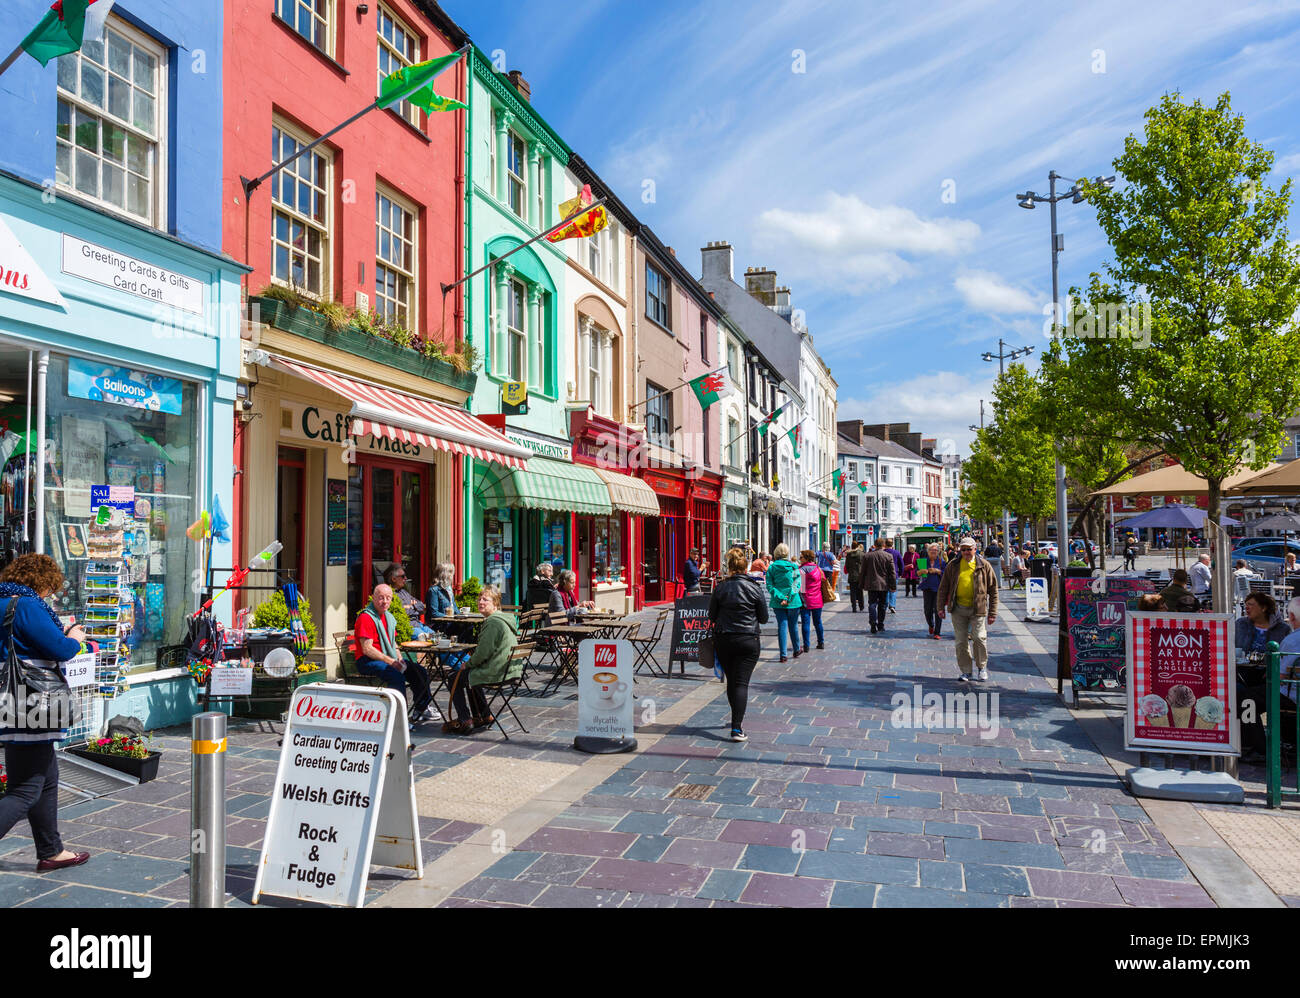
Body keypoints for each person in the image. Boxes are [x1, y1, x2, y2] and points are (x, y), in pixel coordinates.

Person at [0, 554, 92, 871]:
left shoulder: (3, 604)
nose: (50, 595)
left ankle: (51, 851)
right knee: (25, 789)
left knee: (47, 777)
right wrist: (75, 638)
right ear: (41, 582)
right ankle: (51, 851)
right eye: (50, 588)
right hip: (32, 702)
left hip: (10, 701)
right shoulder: (26, 606)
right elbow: (60, 650)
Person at [709, 548, 770, 741]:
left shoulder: (720, 587)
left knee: (732, 681)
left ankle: (736, 719)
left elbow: (711, 615)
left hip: (725, 639)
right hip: (748, 639)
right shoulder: (754, 587)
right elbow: (764, 618)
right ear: (746, 568)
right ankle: (736, 727)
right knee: (741, 683)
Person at [443, 586, 519, 735]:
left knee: (454, 678)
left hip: (497, 671)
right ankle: (483, 715)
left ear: (495, 603)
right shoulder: (503, 619)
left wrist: (467, 664)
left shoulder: (493, 622)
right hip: (509, 670)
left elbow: (483, 653)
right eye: (479, 599)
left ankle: (465, 720)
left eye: (485, 599)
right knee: (471, 675)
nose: (480, 602)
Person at [354, 584, 434, 723]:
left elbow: (393, 642)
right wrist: (391, 662)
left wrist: (400, 659)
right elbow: (367, 649)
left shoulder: (389, 617)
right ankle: (398, 718)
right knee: (396, 677)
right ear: (373, 598)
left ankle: (421, 709)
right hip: (367, 660)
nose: (384, 601)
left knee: (419, 671)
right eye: (381, 598)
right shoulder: (366, 618)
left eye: (388, 598)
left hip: (387, 657)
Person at [1236, 591, 1292, 759]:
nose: (1247, 607)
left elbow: (1284, 658)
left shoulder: (1282, 629)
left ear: (1264, 607)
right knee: (1239, 692)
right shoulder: (1241, 624)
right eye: (1246, 604)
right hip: (1243, 672)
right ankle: (1254, 744)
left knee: (1244, 700)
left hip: (1269, 677)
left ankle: (1259, 747)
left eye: (1251, 604)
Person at [935, 536, 999, 681]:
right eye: (963, 550)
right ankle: (966, 671)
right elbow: (943, 588)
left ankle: (982, 667)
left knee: (979, 638)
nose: (966, 552)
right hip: (958, 608)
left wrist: (993, 612)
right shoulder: (953, 565)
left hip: (978, 608)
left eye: (969, 549)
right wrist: (940, 607)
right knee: (961, 641)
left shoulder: (984, 565)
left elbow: (993, 590)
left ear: (975, 549)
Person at [765, 543, 803, 661]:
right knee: (793, 626)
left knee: (782, 626)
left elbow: (770, 585)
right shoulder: (793, 567)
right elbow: (797, 584)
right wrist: (789, 597)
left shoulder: (771, 568)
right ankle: (796, 649)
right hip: (793, 602)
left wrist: (781, 597)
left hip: (778, 602)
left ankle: (783, 654)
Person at [384, 564, 432, 639]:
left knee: (439, 639)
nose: (406, 578)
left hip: (419, 624)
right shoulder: (388, 594)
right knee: (427, 639)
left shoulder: (404, 592)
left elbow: (421, 606)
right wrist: (412, 607)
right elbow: (402, 612)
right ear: (394, 579)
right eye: (403, 576)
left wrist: (412, 606)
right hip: (408, 627)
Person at [862, 539, 896, 635]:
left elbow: (863, 572)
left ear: (875, 545)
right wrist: (893, 586)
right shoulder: (888, 556)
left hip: (871, 584)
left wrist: (861, 584)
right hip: (884, 584)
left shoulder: (867, 556)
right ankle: (880, 624)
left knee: (872, 604)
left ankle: (873, 623)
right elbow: (892, 573)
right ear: (883, 545)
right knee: (882, 605)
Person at [798, 550, 826, 651]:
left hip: (805, 600)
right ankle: (821, 642)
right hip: (818, 599)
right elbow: (823, 580)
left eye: (801, 557)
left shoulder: (801, 569)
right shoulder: (818, 568)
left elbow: (798, 587)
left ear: (806, 558)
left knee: (806, 623)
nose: (799, 559)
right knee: (818, 622)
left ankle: (806, 645)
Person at [920, 542, 946, 639]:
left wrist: (937, 571)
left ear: (938, 551)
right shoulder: (923, 561)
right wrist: (922, 572)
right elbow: (918, 574)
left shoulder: (941, 561)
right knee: (927, 610)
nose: (933, 552)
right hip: (927, 588)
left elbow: (946, 574)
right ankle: (931, 624)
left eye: (935, 550)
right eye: (931, 550)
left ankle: (937, 632)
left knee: (938, 610)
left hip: (939, 589)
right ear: (928, 551)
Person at [844, 541, 867, 612]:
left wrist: (850, 571)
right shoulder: (862, 554)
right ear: (857, 546)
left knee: (852, 592)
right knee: (860, 591)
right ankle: (861, 606)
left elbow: (847, 566)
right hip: (860, 576)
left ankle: (854, 607)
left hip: (852, 575)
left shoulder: (848, 555)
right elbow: (864, 565)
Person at [884, 538, 902, 614]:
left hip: (884, 575)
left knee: (885, 591)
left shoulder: (883, 552)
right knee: (893, 590)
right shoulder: (896, 553)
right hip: (894, 574)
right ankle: (892, 605)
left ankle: (885, 605)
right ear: (892, 544)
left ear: (885, 544)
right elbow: (901, 564)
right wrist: (900, 573)